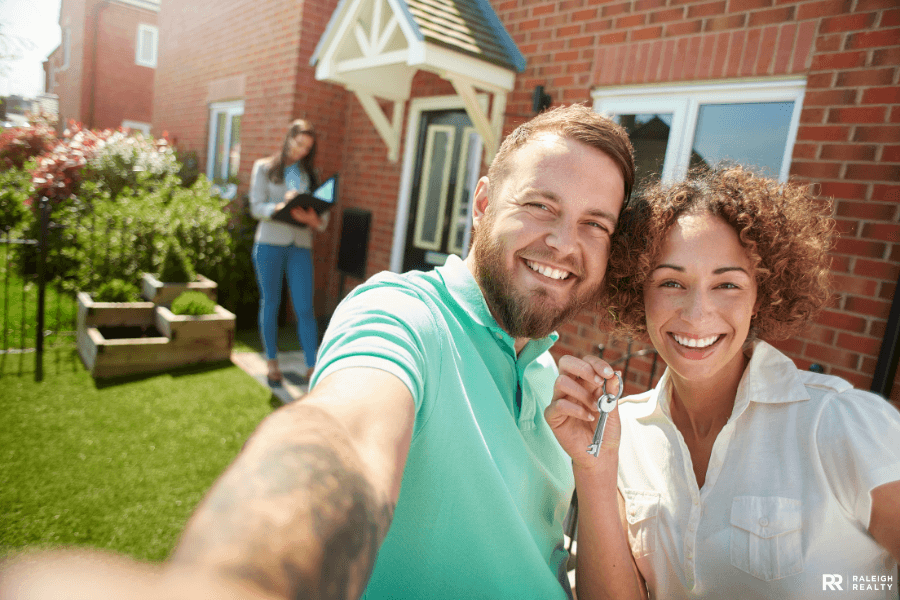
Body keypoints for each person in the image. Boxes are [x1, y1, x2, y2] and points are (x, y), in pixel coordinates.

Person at [0, 104, 634, 600]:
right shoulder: (404, 315)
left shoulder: (555, 386)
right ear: (483, 203)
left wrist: (593, 474)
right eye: (540, 205)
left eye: (593, 223)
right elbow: (346, 436)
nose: (563, 242)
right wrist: (243, 581)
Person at [546, 166, 900, 600]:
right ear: (640, 292)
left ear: (761, 296)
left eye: (727, 284)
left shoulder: (842, 425)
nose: (697, 314)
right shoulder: (623, 437)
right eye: (671, 282)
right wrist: (594, 470)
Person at [249, 118, 329, 384]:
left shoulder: (310, 175)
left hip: (300, 246)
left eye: (308, 147)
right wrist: (279, 206)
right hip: (269, 244)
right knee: (270, 303)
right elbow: (255, 206)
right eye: (299, 144)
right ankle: (272, 363)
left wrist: (312, 220)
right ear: (288, 139)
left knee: (305, 307)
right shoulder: (264, 168)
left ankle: (311, 365)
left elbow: (322, 220)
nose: (303, 151)